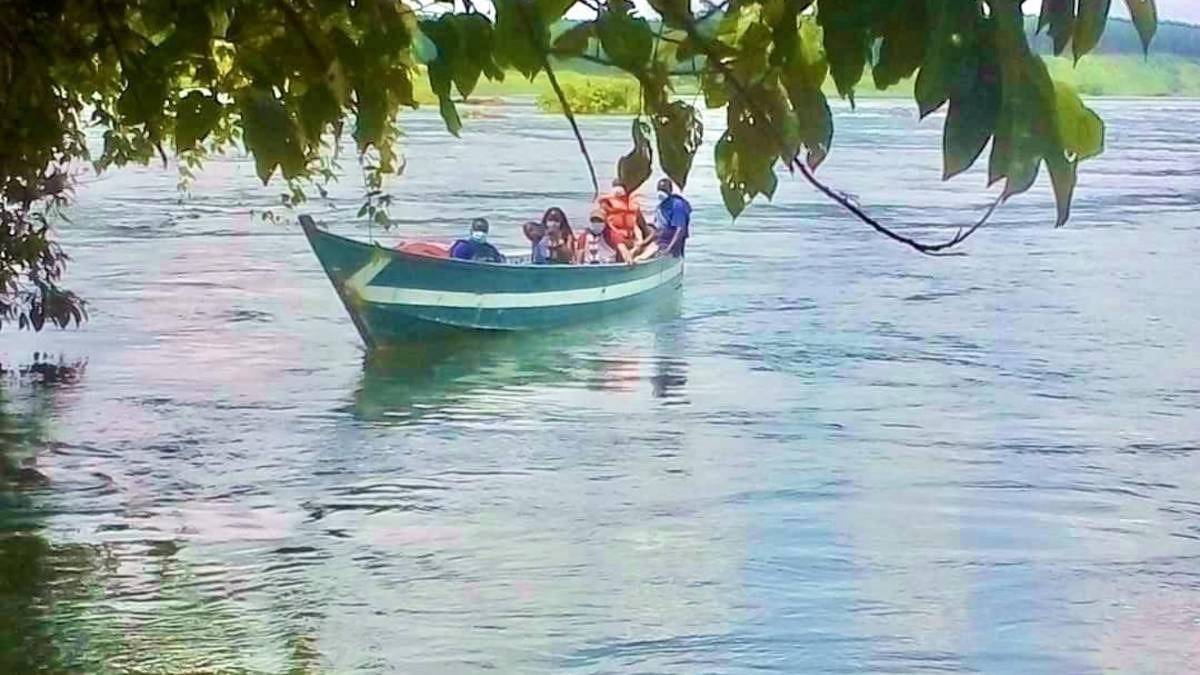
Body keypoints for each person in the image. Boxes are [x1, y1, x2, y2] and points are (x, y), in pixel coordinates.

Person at [597, 178, 645, 264]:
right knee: (620, 243)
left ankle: (631, 256)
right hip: (613, 232)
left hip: (629, 233)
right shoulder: (607, 201)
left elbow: (636, 224)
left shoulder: (632, 203)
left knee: (639, 243)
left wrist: (640, 239)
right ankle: (628, 260)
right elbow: (598, 216)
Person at [654, 178, 691, 258]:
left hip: (671, 244)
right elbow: (658, 228)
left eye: (664, 190)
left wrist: (668, 249)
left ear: (670, 191)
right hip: (659, 241)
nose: (661, 193)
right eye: (659, 189)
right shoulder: (661, 205)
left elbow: (680, 230)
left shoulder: (677, 205)